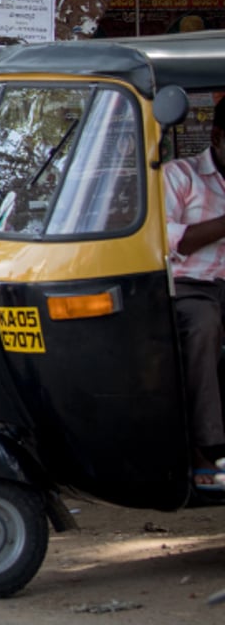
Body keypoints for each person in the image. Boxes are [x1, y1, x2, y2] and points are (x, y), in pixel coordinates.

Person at [162, 96, 225, 490]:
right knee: (202, 328)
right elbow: (174, 242)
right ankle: (205, 450)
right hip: (190, 286)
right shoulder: (179, 175)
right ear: (217, 137)